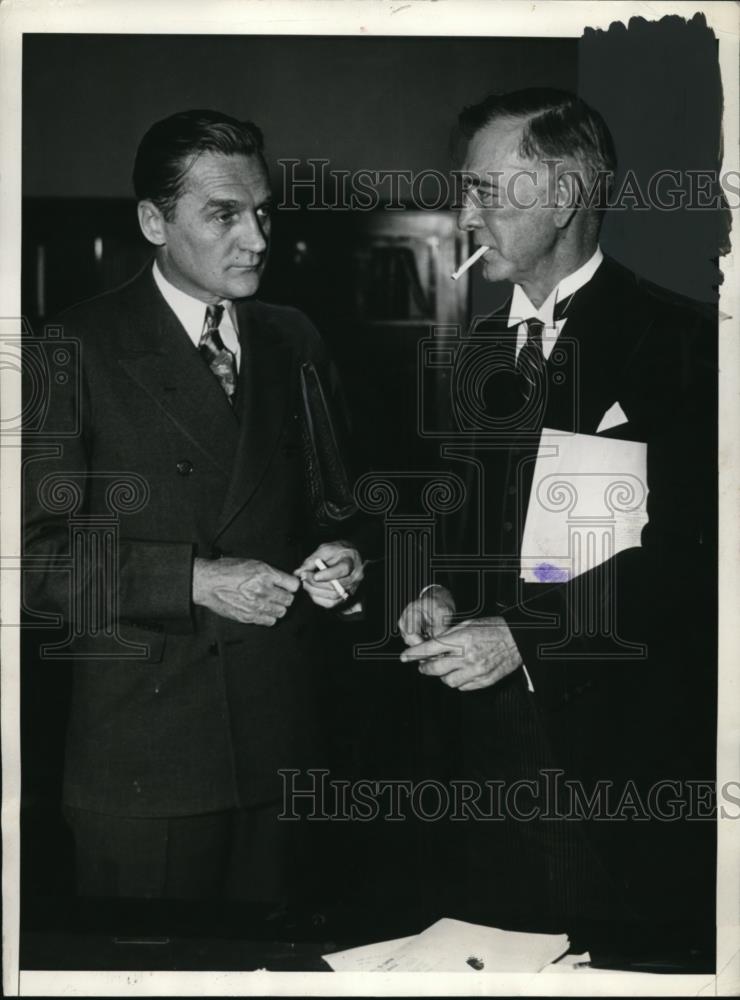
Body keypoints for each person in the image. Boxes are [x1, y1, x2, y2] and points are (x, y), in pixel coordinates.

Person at [398, 90, 716, 948]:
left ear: (566, 197)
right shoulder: (474, 346)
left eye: (488, 194)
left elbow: (699, 558)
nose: (466, 216)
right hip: (478, 751)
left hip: (617, 758)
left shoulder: (686, 344)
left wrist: (523, 636)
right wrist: (434, 585)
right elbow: (466, 522)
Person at [23, 109, 365, 901]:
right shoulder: (72, 345)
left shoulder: (295, 339)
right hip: (145, 764)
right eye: (223, 215)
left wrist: (349, 563)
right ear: (154, 221)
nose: (256, 237)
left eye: (263, 211)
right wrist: (193, 580)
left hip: (287, 751)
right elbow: (32, 559)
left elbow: (342, 511)